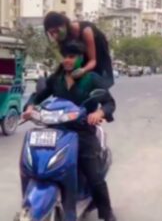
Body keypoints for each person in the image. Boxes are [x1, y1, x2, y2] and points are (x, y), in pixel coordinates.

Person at [22, 41, 117, 221]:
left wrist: (99, 112)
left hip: (83, 132)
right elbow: (37, 96)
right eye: (65, 56)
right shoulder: (56, 79)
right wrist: (29, 107)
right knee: (36, 165)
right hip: (56, 131)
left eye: (71, 57)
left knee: (94, 176)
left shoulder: (91, 79)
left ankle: (107, 214)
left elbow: (109, 102)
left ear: (81, 59)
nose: (67, 60)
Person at [43, 11, 114, 88]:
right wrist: (54, 47)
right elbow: (63, 61)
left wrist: (83, 70)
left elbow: (93, 61)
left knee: (93, 85)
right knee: (54, 81)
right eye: (52, 33)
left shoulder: (86, 31)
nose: (55, 35)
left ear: (65, 25)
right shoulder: (61, 37)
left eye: (57, 31)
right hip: (79, 62)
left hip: (97, 60)